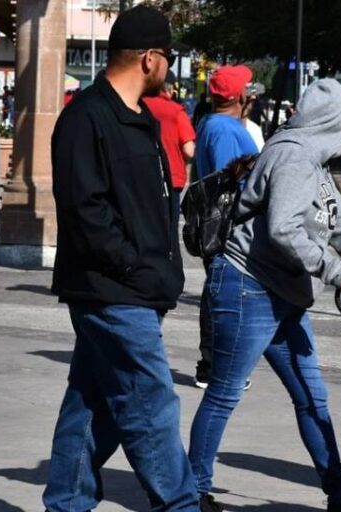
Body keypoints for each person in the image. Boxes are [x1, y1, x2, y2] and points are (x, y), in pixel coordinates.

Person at [187, 78, 341, 512]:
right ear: (335, 122)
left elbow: (339, 219)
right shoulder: (292, 156)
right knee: (226, 391)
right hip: (249, 284)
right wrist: (336, 270)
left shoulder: (313, 159)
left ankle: (339, 494)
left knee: (311, 396)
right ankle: (189, 495)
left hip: (284, 293)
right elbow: (282, 228)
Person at [42, 6, 199, 511]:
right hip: (111, 291)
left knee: (91, 408)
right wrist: (134, 266)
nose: (170, 68)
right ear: (150, 58)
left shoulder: (143, 119)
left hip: (137, 288)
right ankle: (182, 505)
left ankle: (66, 502)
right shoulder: (86, 116)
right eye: (169, 58)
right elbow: (85, 209)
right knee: (151, 406)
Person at [190, 64, 260, 389]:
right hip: (230, 227)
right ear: (240, 95)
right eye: (248, 88)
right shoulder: (224, 130)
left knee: (219, 291)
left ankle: (216, 365)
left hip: (222, 224)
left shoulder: (212, 123)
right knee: (224, 294)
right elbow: (230, 179)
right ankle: (216, 366)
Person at [145, 73, 196, 214]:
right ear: (171, 88)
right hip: (171, 177)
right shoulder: (176, 111)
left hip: (143, 176)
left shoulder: (139, 105)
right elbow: (189, 150)